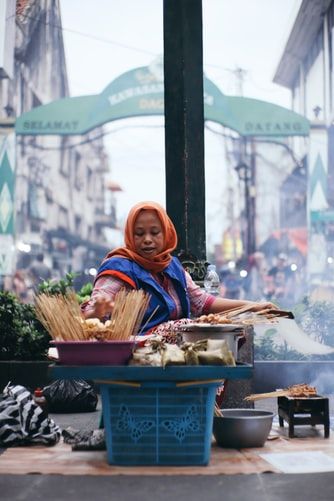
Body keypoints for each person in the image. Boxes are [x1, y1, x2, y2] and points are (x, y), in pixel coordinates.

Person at [82, 201, 276, 334]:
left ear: (166, 233)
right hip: (134, 358)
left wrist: (253, 306)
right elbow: (89, 315)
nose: (147, 239)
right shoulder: (119, 267)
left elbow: (201, 302)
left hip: (175, 355)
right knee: (188, 328)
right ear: (130, 236)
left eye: (155, 232)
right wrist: (97, 312)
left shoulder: (172, 266)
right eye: (139, 234)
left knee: (230, 332)